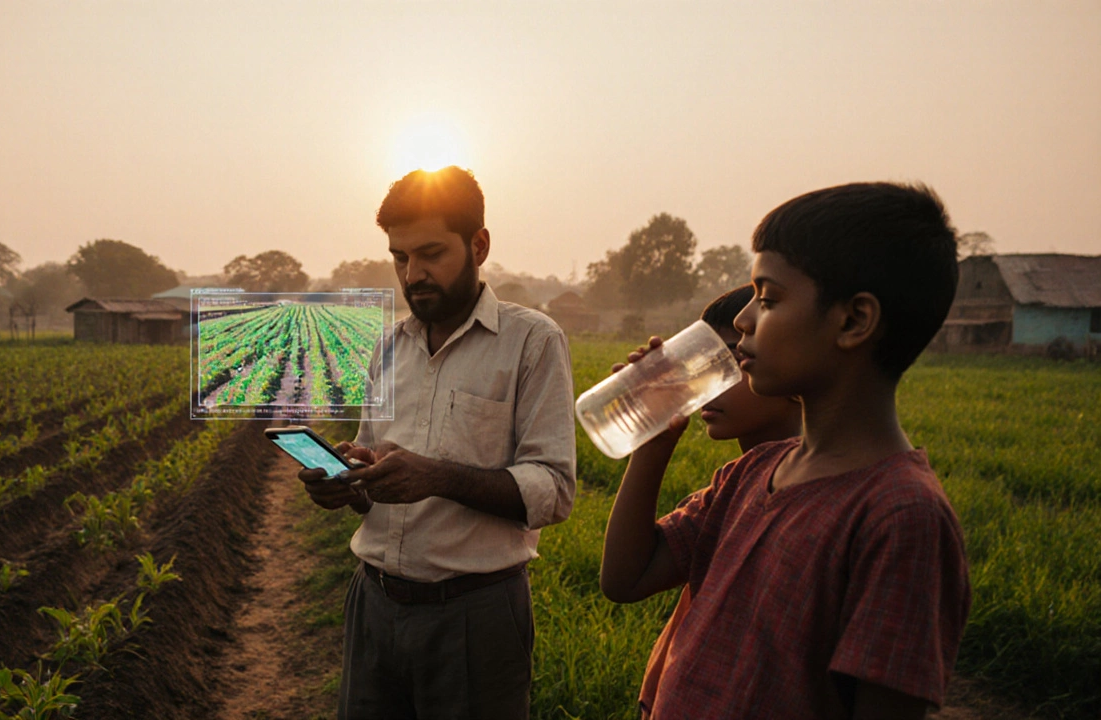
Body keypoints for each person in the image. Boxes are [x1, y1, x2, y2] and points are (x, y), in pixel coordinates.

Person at [599, 182, 972, 719]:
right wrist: (652, 446)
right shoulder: (752, 473)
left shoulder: (901, 516)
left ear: (853, 321)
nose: (746, 319)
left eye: (768, 298)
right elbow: (625, 579)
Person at [297, 166, 577, 720]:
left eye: (430, 254)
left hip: (474, 616)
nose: (413, 273)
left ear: (479, 244)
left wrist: (438, 476)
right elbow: (373, 464)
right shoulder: (389, 347)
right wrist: (348, 481)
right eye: (399, 257)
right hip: (372, 603)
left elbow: (554, 489)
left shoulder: (532, 342)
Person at [604, 284, 803, 719]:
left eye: (732, 360)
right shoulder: (736, 484)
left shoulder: (812, 494)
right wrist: (651, 445)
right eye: (703, 363)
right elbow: (623, 579)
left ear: (795, 366)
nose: (707, 384)